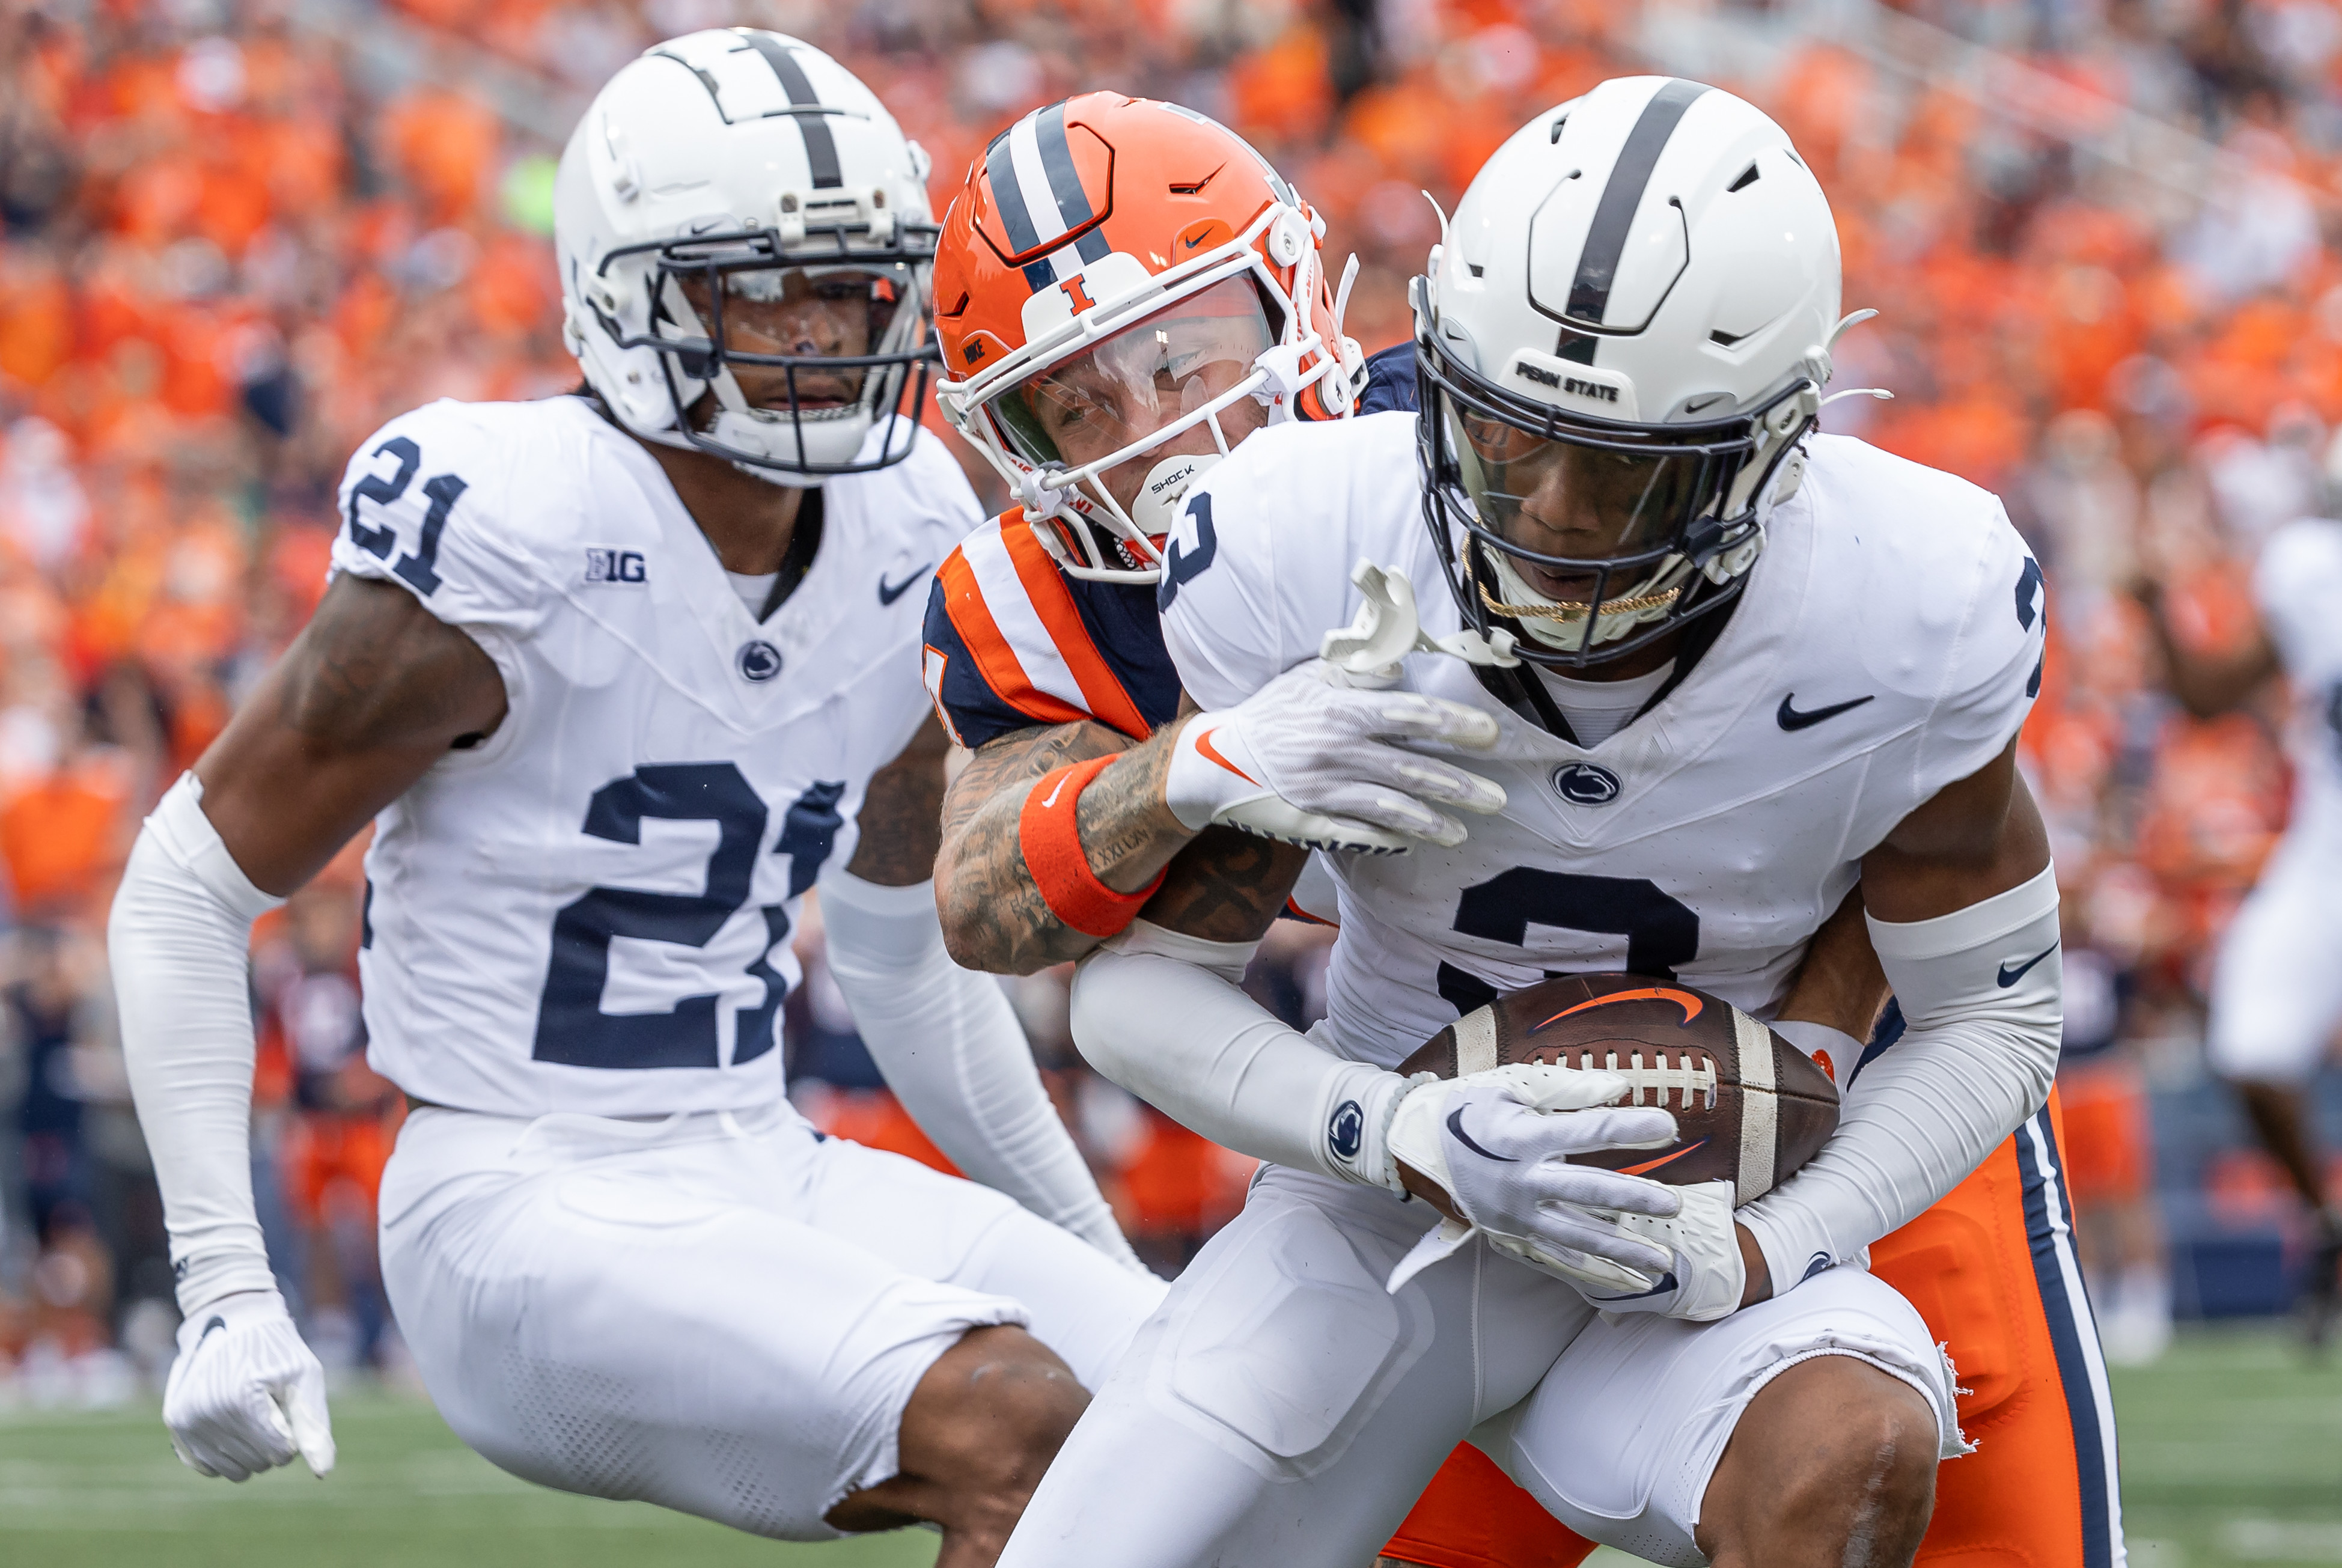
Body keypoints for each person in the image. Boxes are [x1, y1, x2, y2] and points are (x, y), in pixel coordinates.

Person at [1007, 78, 2120, 1568]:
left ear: (1771, 449)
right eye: (1504, 440)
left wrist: (1766, 1242)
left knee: (1847, 1448)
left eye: (1624, 472)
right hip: (1377, 1195)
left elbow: (1993, 1018)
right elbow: (1138, 996)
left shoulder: (1902, 600)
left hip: (1719, 1198)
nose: (1549, 515)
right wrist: (1396, 1126)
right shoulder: (1301, 536)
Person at [106, 31, 1162, 1561]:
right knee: (1009, 1421)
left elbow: (895, 958)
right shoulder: (513, 526)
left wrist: (1094, 1261)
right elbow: (187, 885)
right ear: (629, 291)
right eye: (767, 288)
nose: (826, 326)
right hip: (514, 1198)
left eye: (856, 284)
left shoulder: (907, 514)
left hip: (756, 1153)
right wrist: (225, 1280)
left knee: (1202, 1407)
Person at [2133, 458, 2342, 1344]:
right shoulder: (2309, 567)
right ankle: (2328, 1226)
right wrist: (2151, 606)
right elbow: (2208, 697)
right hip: (2325, 853)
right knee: (2248, 1046)